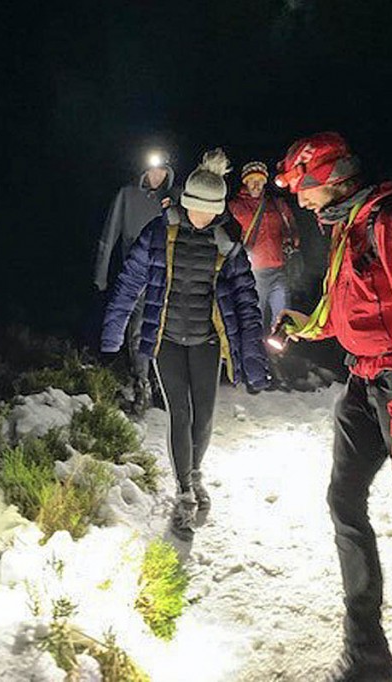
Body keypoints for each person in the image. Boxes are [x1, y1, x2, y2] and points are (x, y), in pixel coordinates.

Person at [274, 132, 392, 682]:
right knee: (344, 502)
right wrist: (310, 328)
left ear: (326, 177)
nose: (299, 201)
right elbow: (361, 307)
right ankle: (367, 656)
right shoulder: (350, 225)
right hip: (362, 385)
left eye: (300, 188)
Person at [101, 149, 269, 540]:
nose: (201, 216)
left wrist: (255, 361)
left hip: (207, 340)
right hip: (167, 339)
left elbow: (246, 302)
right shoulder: (159, 233)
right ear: (186, 202)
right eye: (196, 208)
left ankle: (195, 473)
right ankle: (183, 494)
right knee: (180, 412)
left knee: (205, 415)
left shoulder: (228, 243)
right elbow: (129, 283)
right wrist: (114, 332)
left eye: (210, 210)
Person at [94, 152, 178, 413]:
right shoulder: (127, 195)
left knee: (166, 330)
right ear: (144, 171)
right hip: (137, 274)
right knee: (139, 330)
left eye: (162, 171)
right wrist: (101, 275)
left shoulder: (173, 198)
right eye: (153, 171)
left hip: (168, 275)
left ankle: (162, 385)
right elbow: (109, 235)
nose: (157, 176)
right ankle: (142, 386)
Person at [228, 161, 300, 331]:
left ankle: (278, 352)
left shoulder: (277, 204)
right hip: (253, 273)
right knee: (253, 316)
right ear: (245, 181)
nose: (256, 184)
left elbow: (292, 228)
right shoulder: (235, 206)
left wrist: (292, 242)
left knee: (282, 317)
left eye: (260, 180)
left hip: (279, 269)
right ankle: (255, 352)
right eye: (251, 179)